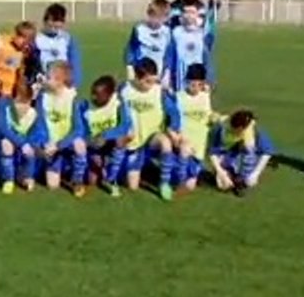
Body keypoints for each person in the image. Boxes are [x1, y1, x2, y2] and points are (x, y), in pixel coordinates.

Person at [119, 57, 176, 194]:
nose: (151, 84)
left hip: (152, 139)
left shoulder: (160, 92)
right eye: (147, 81)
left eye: (154, 80)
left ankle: (164, 183)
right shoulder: (124, 90)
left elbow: (174, 112)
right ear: (137, 78)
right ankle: (136, 167)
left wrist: (173, 127)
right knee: (132, 186)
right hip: (133, 143)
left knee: (165, 142)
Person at [167, 63, 218, 200]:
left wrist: (215, 117)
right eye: (191, 84)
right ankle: (178, 180)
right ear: (186, 82)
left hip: (199, 146)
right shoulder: (178, 97)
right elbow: (170, 122)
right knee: (181, 182)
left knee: (191, 185)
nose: (195, 88)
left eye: (198, 85)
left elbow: (209, 115)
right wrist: (176, 138)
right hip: (183, 146)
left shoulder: (205, 97)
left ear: (203, 84)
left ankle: (182, 178)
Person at [37, 61, 87, 194]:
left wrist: (59, 145)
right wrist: (46, 142)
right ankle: (58, 166)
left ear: (60, 81)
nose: (45, 79)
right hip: (51, 143)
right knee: (52, 186)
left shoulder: (72, 98)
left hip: (66, 142)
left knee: (79, 145)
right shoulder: (42, 97)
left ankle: (77, 180)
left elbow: (78, 129)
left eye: (48, 77)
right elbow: (40, 124)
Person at [81, 75, 133, 197]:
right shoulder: (85, 108)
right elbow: (82, 132)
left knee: (122, 139)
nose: (93, 97)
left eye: (98, 95)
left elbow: (125, 126)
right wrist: (90, 141)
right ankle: (99, 167)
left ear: (109, 95)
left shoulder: (118, 104)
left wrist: (106, 135)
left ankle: (112, 178)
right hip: (95, 147)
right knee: (91, 181)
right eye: (93, 93)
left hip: (111, 144)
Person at [208, 109, 275, 198]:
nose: (237, 132)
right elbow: (213, 152)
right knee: (223, 185)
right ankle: (228, 172)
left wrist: (255, 174)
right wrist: (221, 172)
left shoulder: (254, 129)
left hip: (247, 155)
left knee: (249, 181)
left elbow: (267, 152)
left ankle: (241, 179)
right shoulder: (221, 127)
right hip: (227, 153)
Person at [0, 79, 43, 194]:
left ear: (30, 101)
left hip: (26, 147)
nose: (21, 107)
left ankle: (25, 175)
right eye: (18, 103)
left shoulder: (34, 115)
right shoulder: (7, 111)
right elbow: (3, 129)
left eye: (25, 103)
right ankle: (8, 179)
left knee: (31, 150)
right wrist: (22, 144)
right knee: (5, 144)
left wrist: (29, 145)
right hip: (15, 142)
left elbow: (35, 137)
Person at [166, 0, 217, 91]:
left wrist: (209, 81)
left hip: (198, 82)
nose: (189, 15)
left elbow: (208, 59)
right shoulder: (175, 33)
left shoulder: (203, 34)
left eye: (192, 12)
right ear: (181, 14)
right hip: (179, 82)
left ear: (197, 14)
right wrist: (167, 78)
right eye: (186, 12)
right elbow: (170, 57)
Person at [124, 0, 172, 84]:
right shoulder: (139, 30)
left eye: (160, 17)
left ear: (166, 18)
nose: (157, 20)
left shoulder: (167, 32)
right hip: (141, 73)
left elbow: (169, 54)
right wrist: (130, 67)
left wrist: (167, 72)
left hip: (158, 75)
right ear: (149, 14)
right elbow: (131, 50)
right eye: (154, 16)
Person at [35, 3, 82, 86]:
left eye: (59, 21)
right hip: (42, 85)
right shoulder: (36, 39)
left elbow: (75, 64)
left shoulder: (68, 39)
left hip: (63, 86)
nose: (55, 24)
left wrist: (73, 84)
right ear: (45, 20)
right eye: (52, 20)